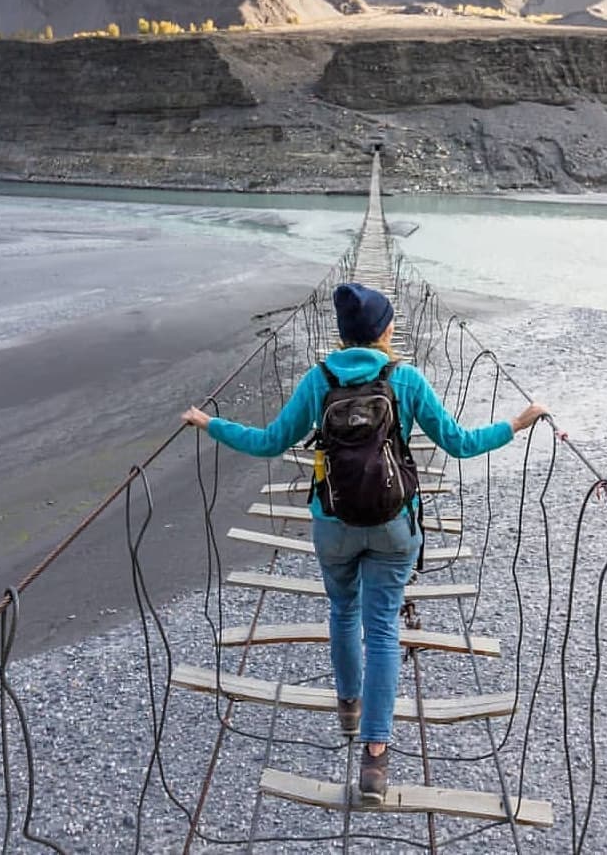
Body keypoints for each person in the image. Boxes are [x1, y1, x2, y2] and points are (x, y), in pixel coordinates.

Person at [182, 282, 546, 803]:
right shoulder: (406, 379)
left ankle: (348, 706)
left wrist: (208, 422)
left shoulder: (319, 379)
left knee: (342, 613)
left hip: (333, 523)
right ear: (383, 330)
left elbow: (268, 442)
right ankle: (375, 759)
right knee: (382, 629)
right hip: (394, 523)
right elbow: (460, 445)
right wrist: (518, 422)